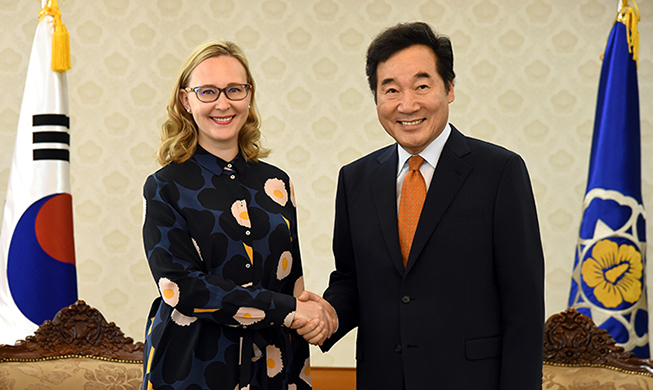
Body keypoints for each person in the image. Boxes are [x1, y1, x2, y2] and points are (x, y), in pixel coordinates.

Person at [295, 22, 545, 389]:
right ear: (376, 98)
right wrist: (329, 315)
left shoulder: (500, 172)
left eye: (422, 86)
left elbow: (523, 306)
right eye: (391, 89)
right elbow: (353, 280)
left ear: (450, 88)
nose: (406, 104)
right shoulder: (355, 179)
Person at [141, 40, 333, 390]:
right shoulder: (165, 186)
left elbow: (291, 281)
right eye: (207, 92)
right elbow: (182, 288)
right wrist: (286, 308)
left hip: (272, 366)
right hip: (192, 367)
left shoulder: (277, 183)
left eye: (234, 90)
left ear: (248, 96)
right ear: (186, 100)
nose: (223, 103)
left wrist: (312, 319)